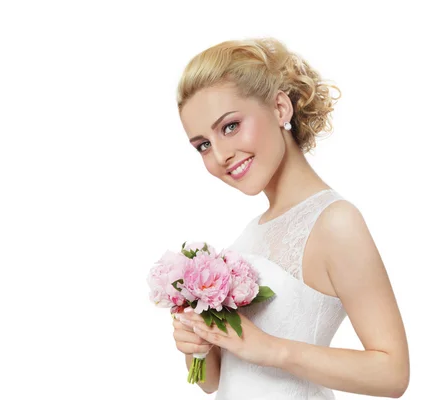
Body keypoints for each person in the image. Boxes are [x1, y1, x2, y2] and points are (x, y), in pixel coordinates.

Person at [170, 37, 410, 399]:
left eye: (230, 126)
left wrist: (273, 349)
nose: (219, 154)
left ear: (280, 108)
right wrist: (198, 348)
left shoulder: (336, 222)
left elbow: (392, 374)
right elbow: (214, 382)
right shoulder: (251, 233)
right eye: (203, 144)